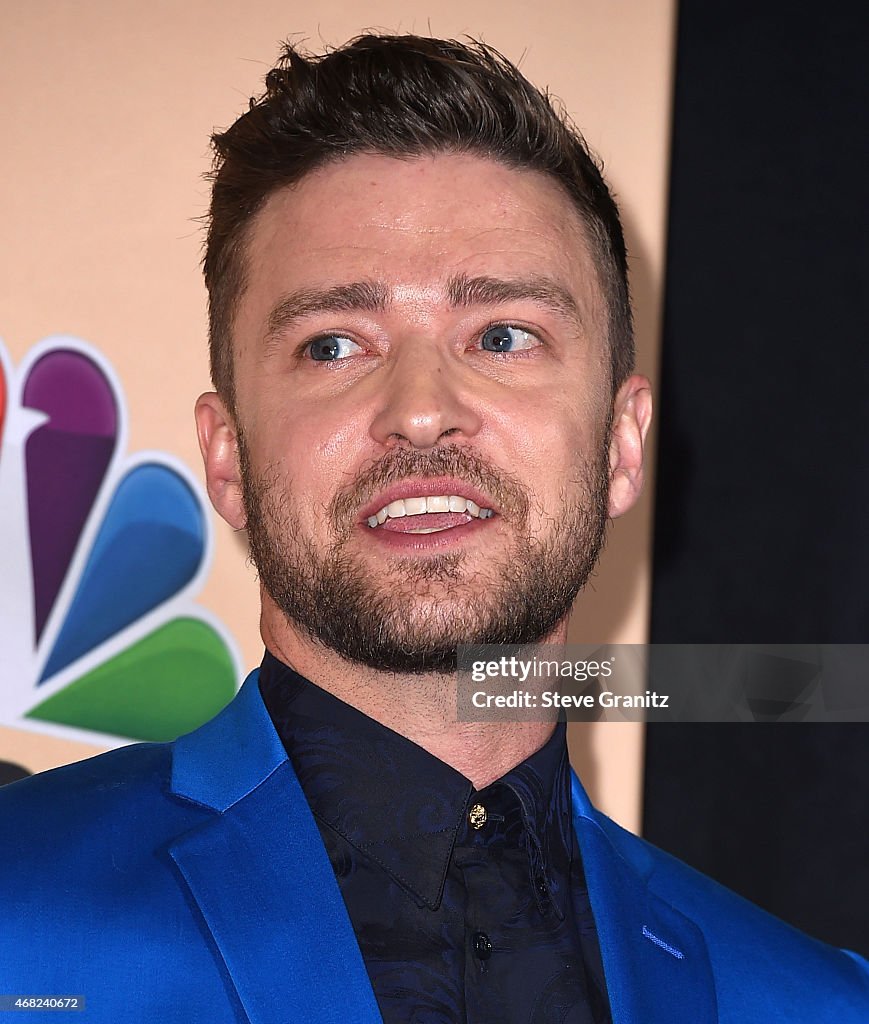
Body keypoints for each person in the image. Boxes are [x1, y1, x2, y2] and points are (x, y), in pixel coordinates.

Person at [0, 34, 866, 1024]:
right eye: (332, 344)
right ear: (228, 456)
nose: (418, 408)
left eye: (502, 336)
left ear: (623, 444)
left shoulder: (811, 1003)